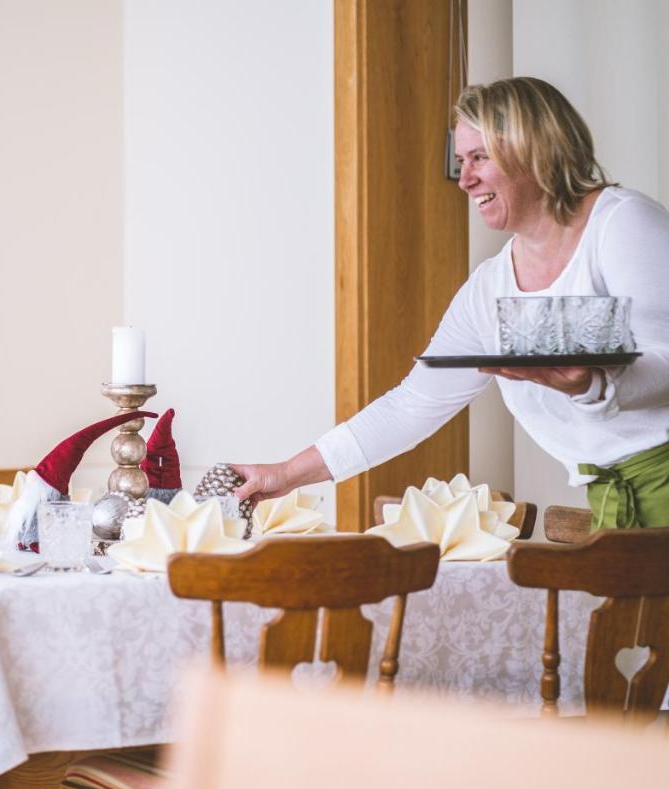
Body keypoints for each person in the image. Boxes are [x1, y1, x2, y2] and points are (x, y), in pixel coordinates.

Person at [232, 77, 669, 530]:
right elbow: (410, 406)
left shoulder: (621, 224)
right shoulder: (490, 287)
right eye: (461, 160)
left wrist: (591, 385)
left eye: (480, 157)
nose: (464, 179)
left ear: (536, 149)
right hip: (612, 505)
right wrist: (286, 475)